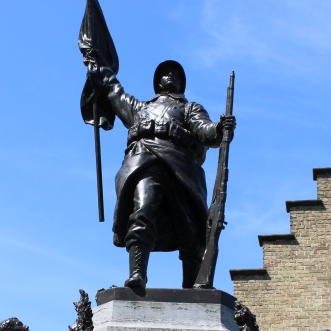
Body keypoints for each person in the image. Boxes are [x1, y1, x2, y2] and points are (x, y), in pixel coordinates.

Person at [85, 58, 236, 290]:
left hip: (179, 165)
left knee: (191, 227)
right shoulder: (140, 108)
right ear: (157, 81)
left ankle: (191, 285)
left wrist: (219, 128)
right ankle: (137, 274)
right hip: (145, 160)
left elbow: (206, 131)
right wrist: (97, 65)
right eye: (165, 72)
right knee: (142, 211)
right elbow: (113, 90)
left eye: (175, 73)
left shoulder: (189, 108)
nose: (170, 75)